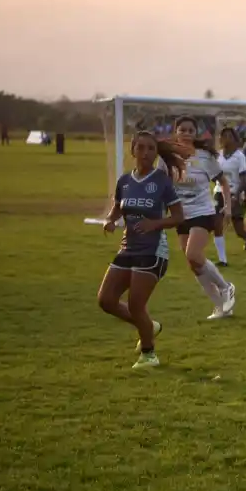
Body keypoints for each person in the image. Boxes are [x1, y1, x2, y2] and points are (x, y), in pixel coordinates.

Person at [98, 130, 185, 369]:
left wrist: (154, 223)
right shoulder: (125, 181)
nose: (145, 153)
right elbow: (117, 207)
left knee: (136, 304)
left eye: (151, 149)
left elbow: (179, 217)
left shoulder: (161, 182)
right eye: (141, 148)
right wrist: (110, 219)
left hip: (153, 250)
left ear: (156, 153)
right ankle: (149, 326)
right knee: (106, 300)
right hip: (128, 247)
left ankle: (149, 355)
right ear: (132, 150)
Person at [166, 116, 237, 320]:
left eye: (190, 130)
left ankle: (225, 287)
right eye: (183, 130)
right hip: (180, 214)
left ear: (195, 134)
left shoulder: (205, 156)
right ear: (176, 132)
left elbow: (223, 182)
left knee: (193, 254)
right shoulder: (167, 157)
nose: (186, 134)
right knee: (193, 263)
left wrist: (227, 208)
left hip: (203, 211)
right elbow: (162, 184)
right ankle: (221, 307)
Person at [213, 127, 246, 265]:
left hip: (236, 193)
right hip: (219, 192)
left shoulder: (240, 156)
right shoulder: (218, 156)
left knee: (239, 230)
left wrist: (236, 195)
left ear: (236, 140)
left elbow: (244, 178)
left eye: (229, 136)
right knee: (217, 223)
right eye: (223, 136)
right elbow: (214, 175)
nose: (226, 139)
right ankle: (222, 260)